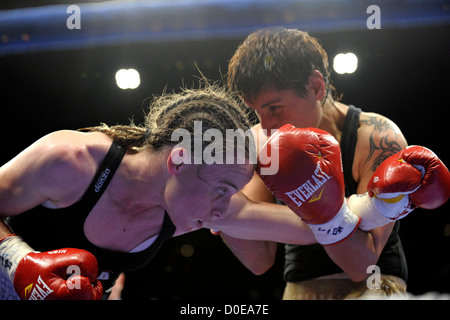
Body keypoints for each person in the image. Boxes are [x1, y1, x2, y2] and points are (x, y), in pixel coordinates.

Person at [224, 26, 448, 299]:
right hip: (301, 289)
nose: (265, 124)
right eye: (256, 112)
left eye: (274, 108)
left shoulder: (376, 136)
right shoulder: (260, 141)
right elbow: (258, 261)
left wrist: (320, 211)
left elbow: (361, 266)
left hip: (374, 286)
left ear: (316, 86)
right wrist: (220, 204)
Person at [0, 84, 256, 300]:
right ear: (179, 161)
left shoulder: (188, 206)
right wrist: (17, 260)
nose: (222, 210)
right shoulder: (71, 161)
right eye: (223, 189)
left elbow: (268, 255)